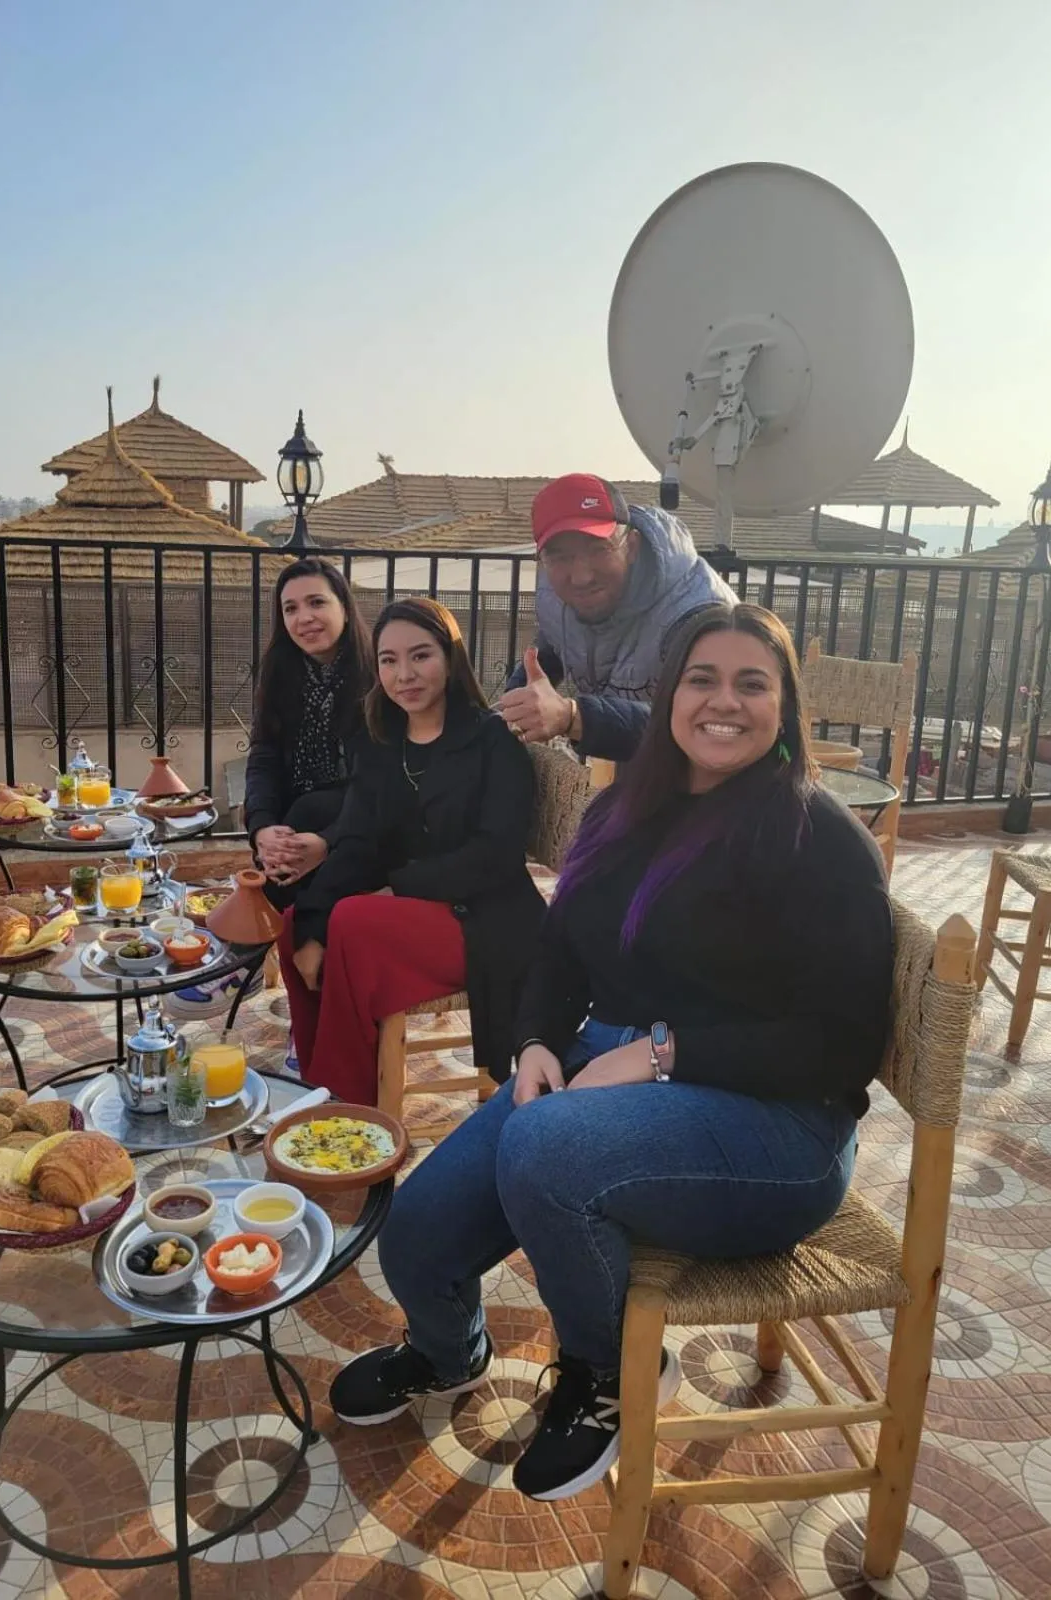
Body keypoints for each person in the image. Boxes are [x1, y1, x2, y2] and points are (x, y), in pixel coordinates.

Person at [330, 602, 893, 1504]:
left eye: (754, 683)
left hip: (780, 1131)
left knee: (548, 1151)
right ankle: (447, 1352)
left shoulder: (819, 840)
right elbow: (561, 948)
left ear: (786, 708)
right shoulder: (627, 809)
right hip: (611, 1060)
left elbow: (840, 1048)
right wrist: (538, 1040)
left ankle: (601, 1375)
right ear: (669, 696)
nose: (725, 702)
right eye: (702, 679)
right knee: (417, 1231)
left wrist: (664, 1053)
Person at [276, 596, 545, 1105]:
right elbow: (355, 838)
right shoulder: (381, 739)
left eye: (420, 656)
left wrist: (396, 888)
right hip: (417, 913)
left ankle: (351, 1111)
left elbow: (495, 856)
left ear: (449, 657)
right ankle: (321, 1089)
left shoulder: (493, 743)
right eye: (389, 660)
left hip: (488, 921)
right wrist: (312, 926)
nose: (405, 674)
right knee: (297, 925)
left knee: (353, 921)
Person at [497, 473, 735, 762]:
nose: (581, 577)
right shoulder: (555, 596)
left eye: (598, 550)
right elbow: (551, 651)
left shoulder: (695, 617)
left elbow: (700, 725)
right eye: (561, 557)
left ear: (631, 546)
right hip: (626, 767)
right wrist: (515, 707)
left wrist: (571, 717)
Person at [244, 557, 374, 912]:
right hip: (296, 826)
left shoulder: (378, 675)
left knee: (312, 808)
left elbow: (381, 781)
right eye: (290, 609)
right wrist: (262, 829)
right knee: (292, 828)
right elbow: (263, 760)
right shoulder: (281, 676)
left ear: (345, 608)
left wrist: (329, 840)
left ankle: (258, 941)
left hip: (364, 827)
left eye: (317, 602)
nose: (304, 618)